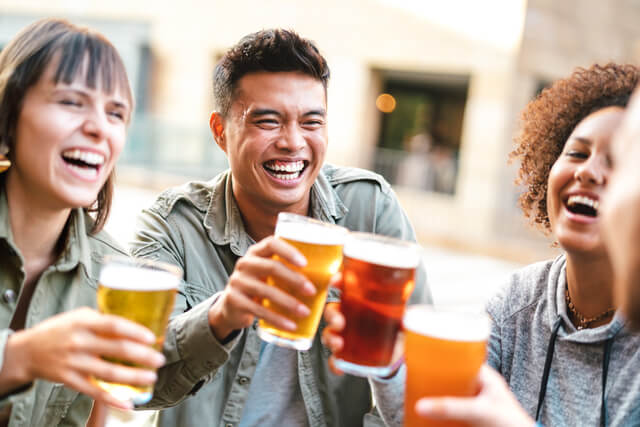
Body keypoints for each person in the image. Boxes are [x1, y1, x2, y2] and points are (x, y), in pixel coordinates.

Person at [131, 29, 428, 426]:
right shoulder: (171, 224)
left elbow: (422, 378)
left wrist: (386, 363)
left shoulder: (369, 208)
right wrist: (222, 315)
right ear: (220, 131)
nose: (293, 142)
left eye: (311, 122)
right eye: (268, 122)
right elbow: (135, 381)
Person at [324, 63, 640, 427]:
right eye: (577, 153)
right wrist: (392, 364)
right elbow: (441, 419)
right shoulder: (518, 301)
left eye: (618, 162)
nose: (588, 171)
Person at [0, 18, 166, 426]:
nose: (98, 128)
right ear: (8, 117)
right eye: (72, 102)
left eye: (116, 113)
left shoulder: (112, 275)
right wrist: (20, 357)